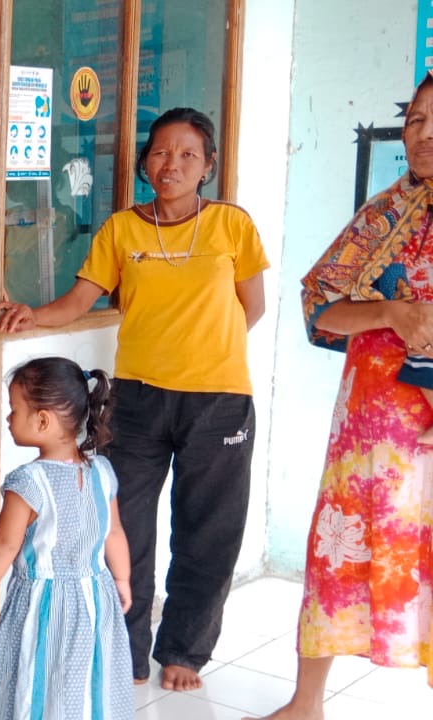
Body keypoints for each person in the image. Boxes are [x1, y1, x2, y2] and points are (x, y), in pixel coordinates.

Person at [0, 107, 269, 691]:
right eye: (161, 152)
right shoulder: (122, 229)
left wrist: (205, 352)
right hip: (138, 399)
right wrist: (30, 314)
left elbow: (254, 306)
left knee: (208, 529)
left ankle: (184, 651)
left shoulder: (232, 225)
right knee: (124, 525)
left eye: (188, 154)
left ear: (207, 166)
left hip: (219, 400)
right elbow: (79, 300)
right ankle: (127, 648)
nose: (172, 164)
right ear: (146, 162)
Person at [247, 73, 433, 720]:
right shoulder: (382, 216)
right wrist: (390, 313)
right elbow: (320, 307)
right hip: (369, 429)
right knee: (340, 549)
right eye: (415, 119)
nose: (424, 133)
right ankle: (306, 704)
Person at [0, 357, 133, 720]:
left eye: (14, 410)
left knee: (36, 671)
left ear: (42, 420)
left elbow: (5, 545)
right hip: (96, 597)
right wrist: (121, 579)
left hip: (42, 604)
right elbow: (115, 532)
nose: (9, 418)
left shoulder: (28, 482)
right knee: (82, 677)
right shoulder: (102, 471)